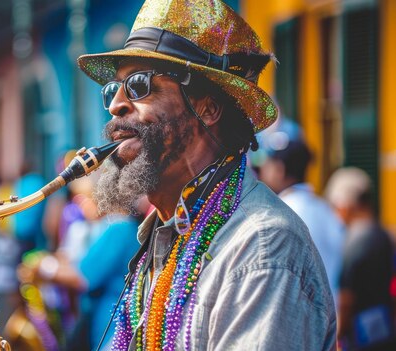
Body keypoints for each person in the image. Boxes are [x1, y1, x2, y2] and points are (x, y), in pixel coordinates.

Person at [75, 0, 336, 349]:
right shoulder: (166, 232)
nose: (114, 105)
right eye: (112, 90)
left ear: (208, 108)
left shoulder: (261, 247)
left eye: (138, 84)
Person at [259, 138, 345, 303]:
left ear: (280, 170)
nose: (261, 170)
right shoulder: (325, 209)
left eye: (267, 164)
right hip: (330, 316)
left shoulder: (278, 214)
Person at [324, 167, 395, 350]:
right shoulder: (383, 234)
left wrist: (336, 335)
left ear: (345, 204)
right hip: (385, 328)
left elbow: (347, 296)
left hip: (362, 335)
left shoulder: (355, 240)